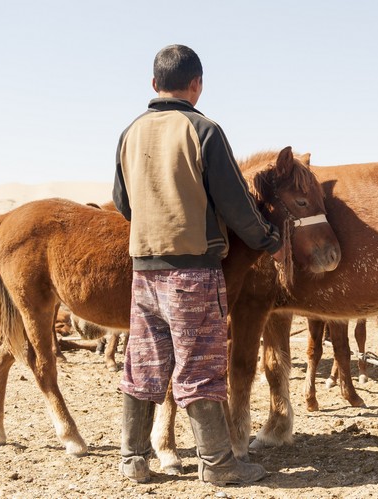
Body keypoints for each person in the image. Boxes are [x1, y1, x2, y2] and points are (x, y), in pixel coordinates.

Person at [112, 44, 283, 486]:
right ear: (197, 85)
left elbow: (122, 201)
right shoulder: (203, 129)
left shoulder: (130, 132)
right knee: (202, 364)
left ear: (153, 84)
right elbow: (235, 201)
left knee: (144, 362)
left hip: (144, 269)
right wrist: (266, 240)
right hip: (192, 272)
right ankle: (219, 464)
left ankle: (133, 458)